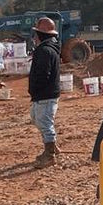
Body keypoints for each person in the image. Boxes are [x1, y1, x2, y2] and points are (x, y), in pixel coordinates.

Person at [28, 16, 62, 168]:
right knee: (37, 118)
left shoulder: (45, 51)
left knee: (45, 123)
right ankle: (52, 146)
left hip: (45, 94)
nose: (34, 37)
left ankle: (49, 155)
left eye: (36, 34)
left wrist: (36, 87)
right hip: (43, 94)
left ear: (41, 35)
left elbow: (43, 74)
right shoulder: (48, 49)